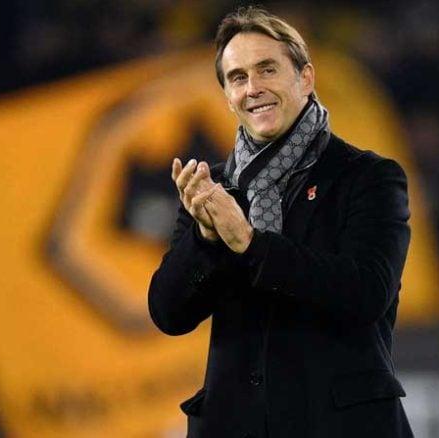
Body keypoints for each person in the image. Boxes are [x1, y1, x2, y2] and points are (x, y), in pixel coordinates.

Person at [148, 7, 413, 437]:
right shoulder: (213, 189)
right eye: (237, 77)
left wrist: (251, 245)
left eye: (267, 69)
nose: (253, 88)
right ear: (227, 96)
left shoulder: (368, 177)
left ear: (305, 78)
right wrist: (205, 238)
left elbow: (367, 292)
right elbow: (168, 314)